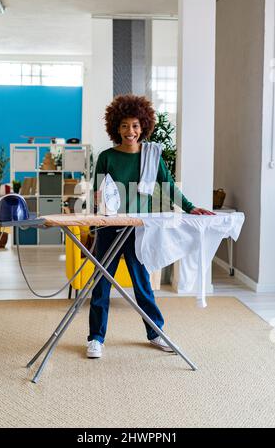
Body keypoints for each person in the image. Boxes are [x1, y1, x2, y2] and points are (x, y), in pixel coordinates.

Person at [87, 94, 214, 358]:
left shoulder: (152, 156)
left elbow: (168, 185)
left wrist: (190, 207)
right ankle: (96, 338)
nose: (129, 131)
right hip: (109, 228)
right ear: (115, 128)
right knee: (101, 284)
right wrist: (97, 208)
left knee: (142, 284)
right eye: (124, 125)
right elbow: (98, 192)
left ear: (143, 126)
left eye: (134, 125)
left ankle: (156, 333)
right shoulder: (106, 157)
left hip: (140, 230)